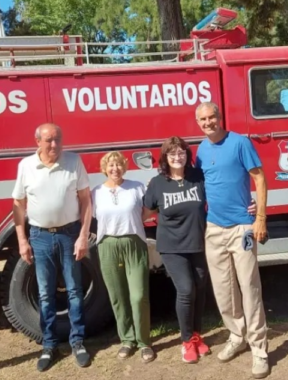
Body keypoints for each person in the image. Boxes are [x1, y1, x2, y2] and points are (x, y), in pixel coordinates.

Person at [194, 101, 271, 379]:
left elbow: (260, 179)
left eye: (211, 117)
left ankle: (259, 349)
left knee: (249, 288)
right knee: (224, 291)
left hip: (242, 227)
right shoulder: (201, 150)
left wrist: (259, 218)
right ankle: (237, 336)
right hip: (213, 228)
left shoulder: (240, 143)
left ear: (220, 117)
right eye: (202, 119)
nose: (208, 123)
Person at [11, 123, 92, 371]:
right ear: (38, 141)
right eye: (48, 140)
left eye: (58, 139)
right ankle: (49, 345)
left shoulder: (74, 161)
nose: (54, 145)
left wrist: (83, 236)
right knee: (45, 294)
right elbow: (18, 204)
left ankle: (78, 342)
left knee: (74, 291)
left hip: (69, 234)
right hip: (40, 236)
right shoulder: (26, 166)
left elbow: (86, 200)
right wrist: (22, 240)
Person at [142, 136, 210, 363]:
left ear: (187, 155)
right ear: (165, 158)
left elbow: (219, 196)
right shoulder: (157, 183)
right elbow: (145, 211)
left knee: (200, 288)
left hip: (198, 242)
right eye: (172, 154)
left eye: (181, 153)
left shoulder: (197, 177)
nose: (177, 157)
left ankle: (197, 336)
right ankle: (186, 341)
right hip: (172, 247)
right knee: (187, 289)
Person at [91, 151, 156, 363]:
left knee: (138, 295)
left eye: (118, 165)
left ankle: (144, 342)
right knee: (118, 296)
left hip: (134, 242)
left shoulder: (137, 187)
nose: (115, 169)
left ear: (124, 167)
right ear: (104, 168)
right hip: (108, 244)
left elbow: (147, 212)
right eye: (110, 165)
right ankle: (127, 339)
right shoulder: (96, 192)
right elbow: (91, 216)